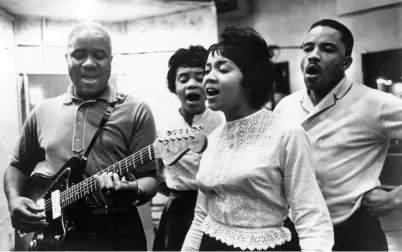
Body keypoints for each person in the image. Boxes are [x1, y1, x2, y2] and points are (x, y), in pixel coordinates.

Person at [3, 22, 158, 251]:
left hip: (116, 232)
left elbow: (150, 178)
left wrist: (133, 191)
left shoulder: (136, 110)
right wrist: (14, 200)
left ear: (111, 60)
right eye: (79, 55)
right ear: (66, 58)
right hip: (55, 234)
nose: (89, 63)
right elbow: (17, 167)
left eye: (99, 55)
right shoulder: (42, 112)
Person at [181, 25, 333, 251]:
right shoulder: (212, 139)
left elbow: (310, 215)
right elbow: (201, 216)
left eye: (223, 69)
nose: (208, 78)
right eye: (207, 70)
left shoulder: (287, 133)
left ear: (250, 79)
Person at [274, 19, 402, 251]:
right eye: (308, 47)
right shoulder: (286, 105)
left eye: (327, 48)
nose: (314, 55)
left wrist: (396, 198)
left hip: (354, 233)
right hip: (296, 231)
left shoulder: (375, 103)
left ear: (346, 62)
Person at [152, 45, 224, 251]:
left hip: (217, 210)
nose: (192, 84)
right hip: (177, 211)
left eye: (200, 77)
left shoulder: (222, 120)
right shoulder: (163, 126)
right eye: (183, 79)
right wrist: (177, 193)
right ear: (174, 86)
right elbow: (156, 173)